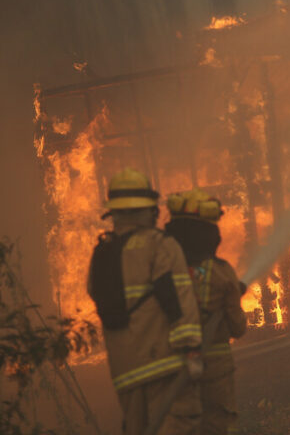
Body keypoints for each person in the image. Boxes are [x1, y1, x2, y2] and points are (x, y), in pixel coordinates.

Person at [88, 168, 203, 435]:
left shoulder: (101, 254)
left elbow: (95, 294)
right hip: (165, 366)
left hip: (125, 374)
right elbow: (178, 300)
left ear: (114, 213)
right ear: (149, 210)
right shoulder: (161, 245)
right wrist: (193, 352)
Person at [165, 189, 247, 435]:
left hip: (170, 368)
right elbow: (238, 328)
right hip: (215, 371)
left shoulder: (162, 270)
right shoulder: (221, 273)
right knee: (218, 426)